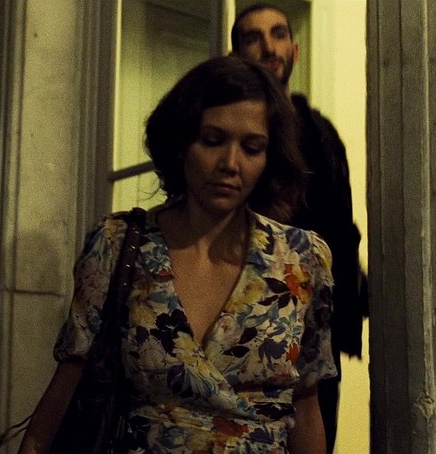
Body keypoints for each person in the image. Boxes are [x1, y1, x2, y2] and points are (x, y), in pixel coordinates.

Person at [18, 56, 337, 454]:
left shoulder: (301, 259)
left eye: (252, 147)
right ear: (181, 143)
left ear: (270, 157)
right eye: (212, 140)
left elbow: (306, 408)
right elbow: (68, 387)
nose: (230, 164)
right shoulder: (118, 244)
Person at [230, 4, 369, 453]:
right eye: (253, 37)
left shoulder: (321, 135)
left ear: (295, 49)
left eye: (278, 34)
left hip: (312, 330)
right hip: (241, 321)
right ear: (236, 54)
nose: (268, 47)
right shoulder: (229, 137)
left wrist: (351, 303)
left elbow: (341, 231)